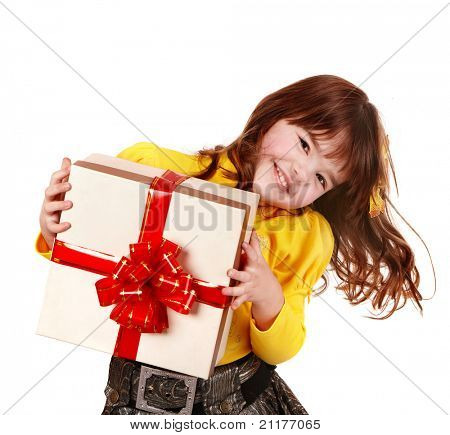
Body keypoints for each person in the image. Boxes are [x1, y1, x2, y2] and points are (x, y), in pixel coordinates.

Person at [35, 75, 427, 415]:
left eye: (323, 179)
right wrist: (57, 230)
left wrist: (268, 296)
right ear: (275, 114)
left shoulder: (307, 237)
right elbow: (96, 262)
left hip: (236, 398)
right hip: (138, 389)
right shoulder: (155, 169)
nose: (301, 174)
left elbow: (282, 350)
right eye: (305, 145)